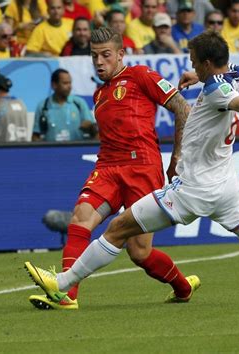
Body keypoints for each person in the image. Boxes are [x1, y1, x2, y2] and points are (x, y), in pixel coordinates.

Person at [25, 31, 239, 306]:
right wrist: (198, 75)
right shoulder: (235, 75)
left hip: (192, 191)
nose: (189, 65)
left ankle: (63, 284)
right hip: (227, 191)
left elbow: (237, 101)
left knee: (117, 229)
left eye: (194, 60)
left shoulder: (220, 92)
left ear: (207, 63)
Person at [26, 27, 195, 311]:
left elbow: (182, 108)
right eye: (94, 56)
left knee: (139, 252)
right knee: (80, 218)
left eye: (106, 55)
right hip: (107, 166)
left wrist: (177, 156)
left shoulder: (141, 75)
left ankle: (183, 286)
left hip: (142, 165)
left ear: (120, 54)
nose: (100, 61)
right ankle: (65, 294)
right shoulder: (99, 94)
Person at [32, 69, 96, 142]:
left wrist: (90, 127)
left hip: (77, 151)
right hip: (51, 152)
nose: (70, 86)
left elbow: (95, 133)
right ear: (54, 85)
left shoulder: (79, 103)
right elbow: (35, 136)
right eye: (65, 83)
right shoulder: (43, 106)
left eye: (70, 83)